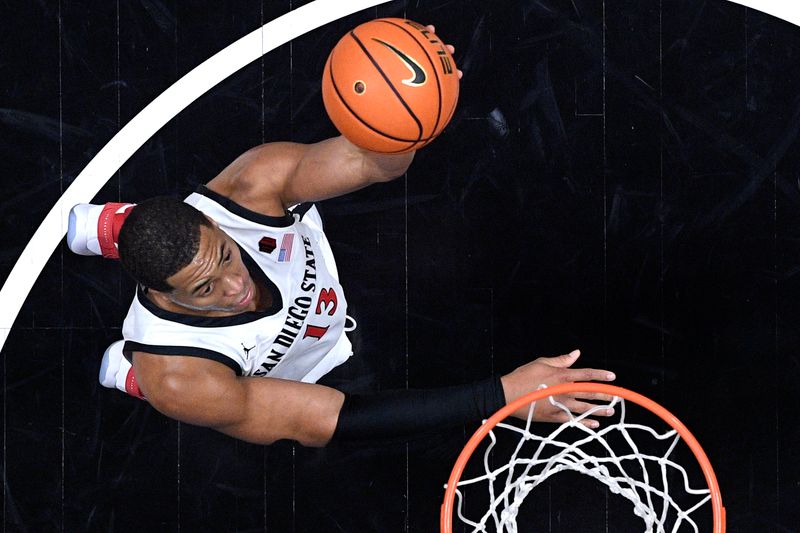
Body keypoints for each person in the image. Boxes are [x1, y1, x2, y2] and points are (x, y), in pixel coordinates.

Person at [68, 37, 616, 449]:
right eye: (205, 287)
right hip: (280, 374)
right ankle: (133, 370)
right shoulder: (185, 377)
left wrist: (411, 103)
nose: (236, 285)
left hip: (322, 281)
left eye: (227, 256)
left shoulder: (250, 190)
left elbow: (372, 162)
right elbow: (329, 419)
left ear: (213, 226)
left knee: (170, 233)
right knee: (171, 391)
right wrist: (501, 397)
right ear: (155, 292)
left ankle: (121, 226)